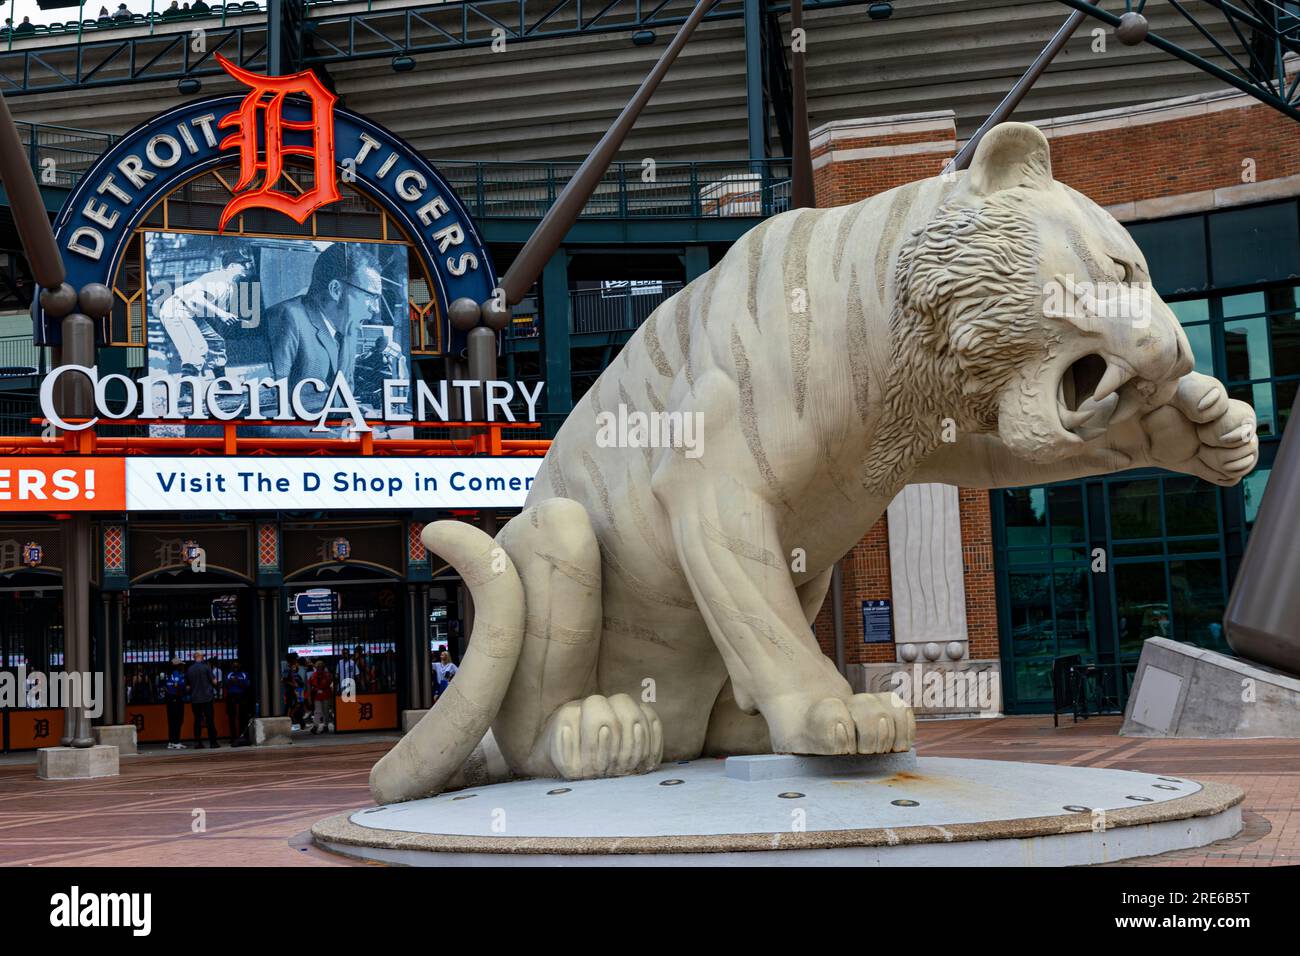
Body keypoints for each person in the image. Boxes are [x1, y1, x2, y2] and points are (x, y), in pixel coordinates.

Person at [268, 243, 379, 407]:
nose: (375, 309)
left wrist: (357, 416)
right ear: (336, 289)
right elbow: (270, 406)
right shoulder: (288, 317)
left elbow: (342, 398)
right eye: (370, 296)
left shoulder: (347, 328)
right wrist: (331, 433)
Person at [157, 247, 256, 379]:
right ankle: (185, 393)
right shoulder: (217, 278)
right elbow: (195, 298)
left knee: (216, 343)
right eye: (242, 264)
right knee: (198, 349)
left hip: (191, 312)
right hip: (177, 309)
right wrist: (222, 314)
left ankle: (223, 383)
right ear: (232, 266)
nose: (246, 266)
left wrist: (228, 317)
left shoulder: (229, 286)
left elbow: (210, 310)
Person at [186, 652, 220, 749]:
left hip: (195, 699)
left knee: (197, 720)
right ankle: (213, 742)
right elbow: (214, 681)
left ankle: (198, 742)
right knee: (210, 720)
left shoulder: (189, 669)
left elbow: (187, 687)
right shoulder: (206, 667)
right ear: (200, 657)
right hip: (207, 698)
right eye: (203, 656)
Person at [224, 659, 252, 745]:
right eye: (234, 665)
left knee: (242, 717)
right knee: (231, 717)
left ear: (240, 665)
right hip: (231, 697)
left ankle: (242, 736)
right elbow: (225, 685)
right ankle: (233, 737)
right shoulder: (229, 674)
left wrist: (238, 681)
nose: (235, 666)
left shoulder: (244, 674)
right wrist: (231, 681)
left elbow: (246, 685)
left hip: (241, 696)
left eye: (237, 665)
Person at [162, 658, 188, 750]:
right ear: (178, 666)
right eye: (181, 665)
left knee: (172, 721)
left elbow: (165, 686)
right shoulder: (177, 674)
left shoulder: (167, 674)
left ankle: (171, 742)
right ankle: (176, 742)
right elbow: (179, 686)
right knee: (178, 721)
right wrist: (185, 688)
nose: (183, 666)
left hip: (170, 699)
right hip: (176, 699)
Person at [307, 660, 334, 734]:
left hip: (326, 695)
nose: (319, 669)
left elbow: (332, 684)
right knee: (317, 711)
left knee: (326, 711)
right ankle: (315, 726)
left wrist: (332, 698)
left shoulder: (327, 675)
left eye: (320, 668)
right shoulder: (312, 676)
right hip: (317, 696)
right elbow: (309, 687)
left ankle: (325, 726)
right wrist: (309, 697)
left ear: (323, 668)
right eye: (317, 668)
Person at [282, 659, 306, 729]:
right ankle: (290, 719)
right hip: (291, 691)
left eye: (295, 666)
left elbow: (301, 684)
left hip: (299, 691)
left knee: (299, 706)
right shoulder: (287, 671)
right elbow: (283, 680)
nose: (294, 667)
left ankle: (301, 723)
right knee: (290, 706)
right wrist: (292, 684)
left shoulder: (297, 674)